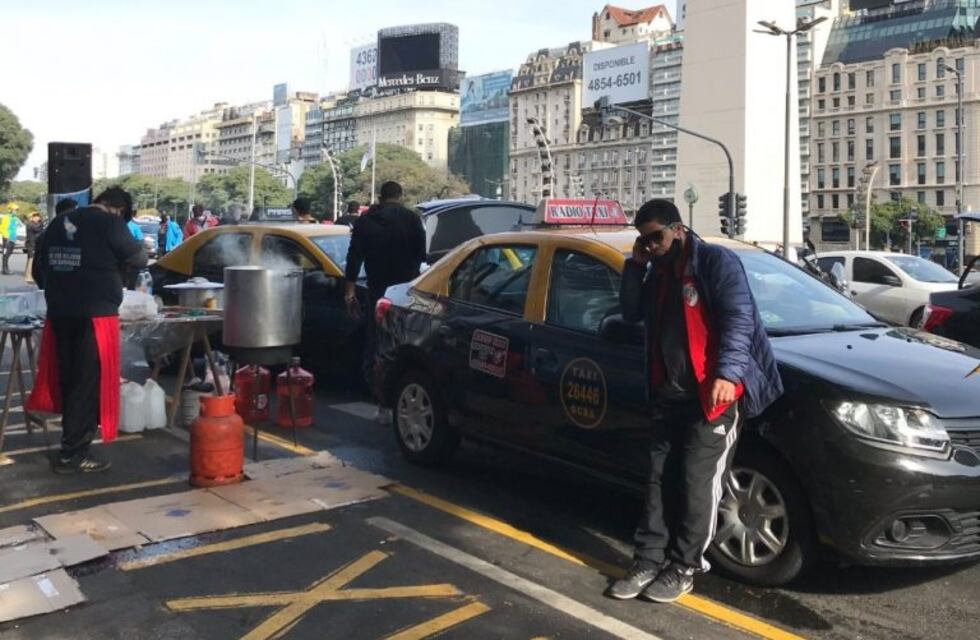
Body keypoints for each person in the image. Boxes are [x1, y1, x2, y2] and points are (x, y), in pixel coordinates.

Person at [606, 199, 783, 603]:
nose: (651, 246)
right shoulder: (656, 273)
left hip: (712, 397)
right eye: (644, 241)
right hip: (668, 394)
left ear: (678, 228)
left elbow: (739, 319)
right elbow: (631, 313)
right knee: (657, 481)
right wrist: (634, 266)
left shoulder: (715, 263)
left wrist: (727, 374)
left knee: (695, 482)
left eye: (656, 237)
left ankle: (683, 567)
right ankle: (648, 560)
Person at [27, 187, 147, 474]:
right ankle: (74, 454)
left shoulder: (59, 222)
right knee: (87, 383)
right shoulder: (108, 222)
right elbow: (140, 258)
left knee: (69, 380)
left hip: (59, 313)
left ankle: (71, 446)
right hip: (94, 315)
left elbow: (38, 271)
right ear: (118, 209)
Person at [344, 181, 426, 383]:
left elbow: (354, 258)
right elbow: (422, 256)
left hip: (377, 288)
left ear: (380, 197)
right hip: (406, 292)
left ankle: (375, 386)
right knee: (404, 341)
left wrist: (349, 292)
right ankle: (397, 384)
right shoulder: (412, 220)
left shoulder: (365, 222)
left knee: (374, 340)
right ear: (400, 196)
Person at [25, 211, 44, 284]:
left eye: (38, 216)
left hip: (33, 244)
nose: (38, 217)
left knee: (30, 259)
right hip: (31, 244)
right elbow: (38, 229)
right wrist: (41, 222)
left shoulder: (33, 224)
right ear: (31, 217)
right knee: (31, 260)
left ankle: (28, 275)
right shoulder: (30, 224)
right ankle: (28, 276)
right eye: (35, 216)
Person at [1, 208, 22, 275]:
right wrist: (6, 237)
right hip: (7, 238)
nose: (15, 212)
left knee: (9, 253)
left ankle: (6, 269)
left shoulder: (15, 218)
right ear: (10, 210)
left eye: (16, 210)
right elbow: (2, 228)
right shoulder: (6, 217)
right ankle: (5, 270)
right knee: (5, 254)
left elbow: (20, 225)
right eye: (14, 210)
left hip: (12, 238)